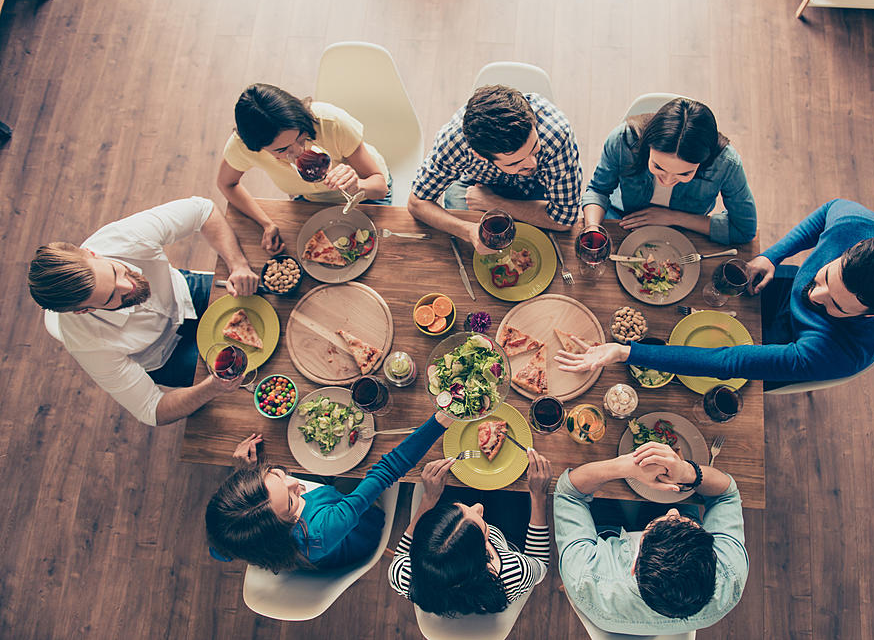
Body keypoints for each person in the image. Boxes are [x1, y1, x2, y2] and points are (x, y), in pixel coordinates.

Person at [557, 199, 874, 389]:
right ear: (849, 250)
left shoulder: (838, 354)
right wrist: (772, 255)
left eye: (835, 305)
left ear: (871, 313)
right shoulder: (859, 226)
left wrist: (626, 352)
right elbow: (828, 211)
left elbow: (729, 362)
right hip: (773, 286)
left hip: (792, 348)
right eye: (824, 277)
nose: (815, 297)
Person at [27, 197, 259, 426]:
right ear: (84, 311)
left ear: (92, 254)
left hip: (186, 292)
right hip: (166, 356)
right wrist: (211, 387)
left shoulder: (124, 237)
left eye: (117, 272)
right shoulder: (87, 343)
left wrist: (237, 264)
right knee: (248, 384)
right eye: (112, 297)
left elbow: (203, 210)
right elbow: (151, 410)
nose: (130, 286)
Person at [206, 412, 453, 572]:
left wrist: (243, 474)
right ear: (285, 527)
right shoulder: (325, 527)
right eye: (292, 501)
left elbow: (217, 551)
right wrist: (440, 421)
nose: (297, 484)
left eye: (276, 475)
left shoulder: (229, 537)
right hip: (361, 532)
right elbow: (388, 469)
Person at [554, 442, 748, 635]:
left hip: (606, 534)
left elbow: (569, 493)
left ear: (634, 565)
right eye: (687, 523)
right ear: (712, 555)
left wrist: (622, 467)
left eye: (664, 522)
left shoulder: (586, 576)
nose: (673, 511)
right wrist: (687, 471)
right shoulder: (730, 577)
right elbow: (726, 495)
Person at [218, 83, 391, 254]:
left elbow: (380, 187)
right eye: (282, 150)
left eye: (301, 138)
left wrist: (358, 186)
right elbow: (227, 184)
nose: (299, 151)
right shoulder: (242, 147)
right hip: (312, 202)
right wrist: (266, 223)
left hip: (367, 196)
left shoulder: (329, 122)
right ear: (257, 148)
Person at [407, 85, 583, 253]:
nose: (533, 164)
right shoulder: (455, 142)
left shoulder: (557, 135)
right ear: (480, 155)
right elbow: (417, 203)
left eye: (535, 147)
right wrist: (468, 231)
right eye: (515, 162)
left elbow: (565, 219)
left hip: (534, 187)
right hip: (475, 185)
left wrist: (494, 202)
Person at [388, 449, 552, 616]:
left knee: (457, 465)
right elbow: (539, 563)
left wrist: (429, 498)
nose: (478, 506)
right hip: (506, 534)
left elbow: (403, 552)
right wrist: (539, 496)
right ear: (484, 556)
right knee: (513, 474)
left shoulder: (402, 576)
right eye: (485, 531)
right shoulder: (513, 572)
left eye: (456, 507)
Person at [582, 97, 756, 246]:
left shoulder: (726, 164)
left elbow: (743, 230)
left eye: (684, 174)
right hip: (621, 217)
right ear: (647, 145)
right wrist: (592, 227)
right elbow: (598, 190)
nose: (666, 181)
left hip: (686, 231)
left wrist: (674, 217)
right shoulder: (623, 140)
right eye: (658, 167)